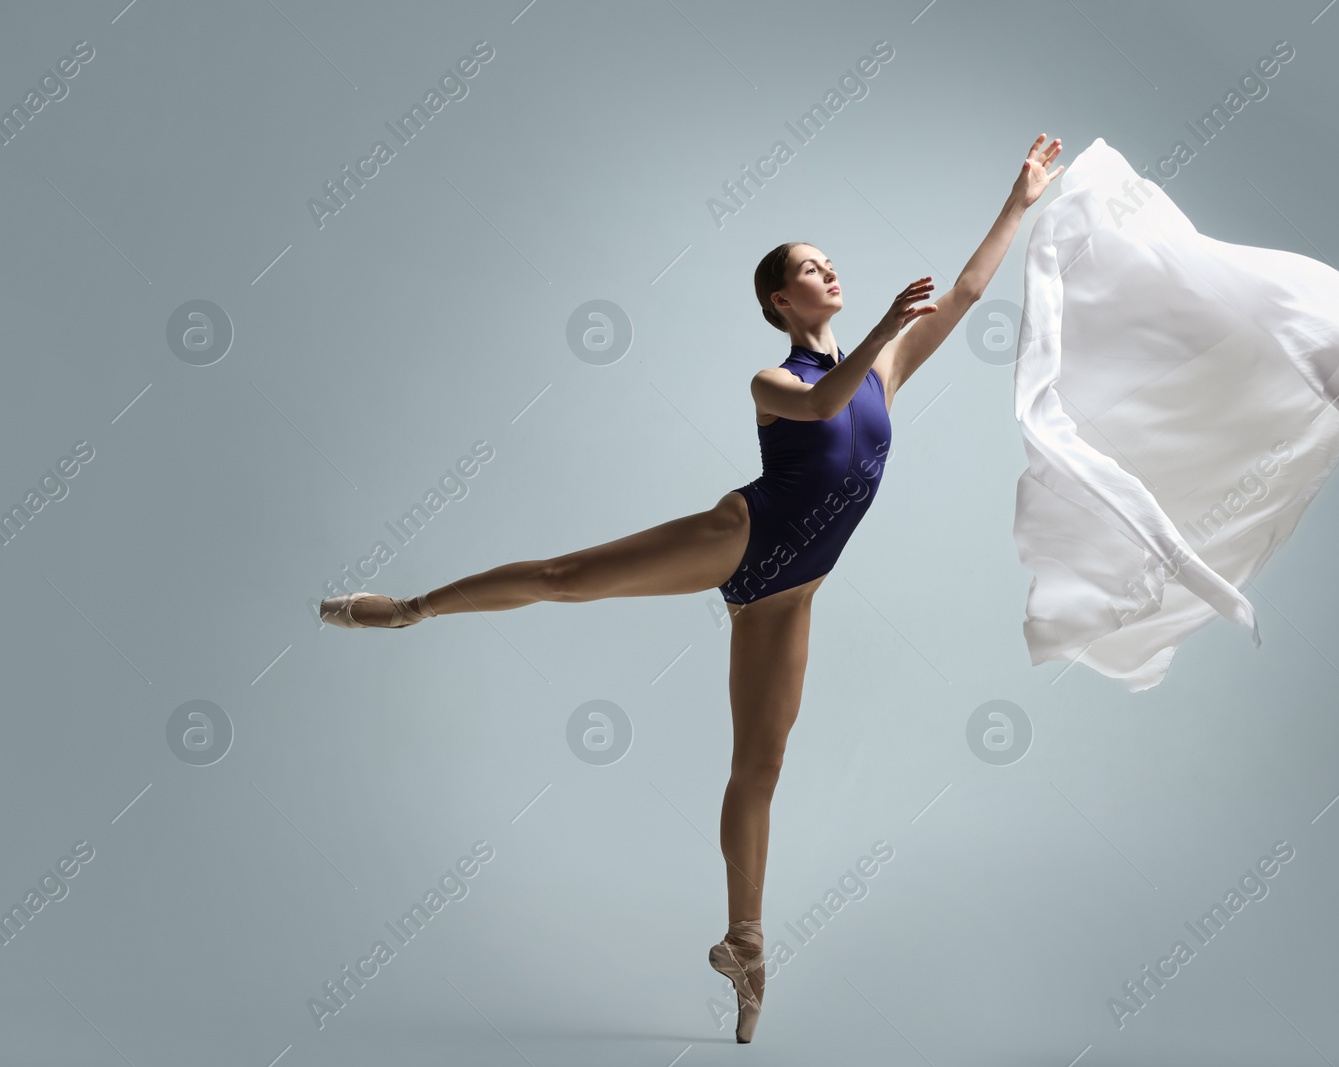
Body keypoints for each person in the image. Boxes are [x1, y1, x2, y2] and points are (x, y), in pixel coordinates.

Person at [319, 133, 1064, 1042]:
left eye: (832, 262)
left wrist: (1018, 203)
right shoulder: (775, 378)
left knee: (760, 768)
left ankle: (742, 941)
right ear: (778, 301)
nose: (830, 271)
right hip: (735, 538)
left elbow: (971, 291)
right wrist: (880, 331)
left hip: (791, 594)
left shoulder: (888, 372)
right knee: (567, 577)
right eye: (809, 268)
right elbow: (824, 406)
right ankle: (410, 609)